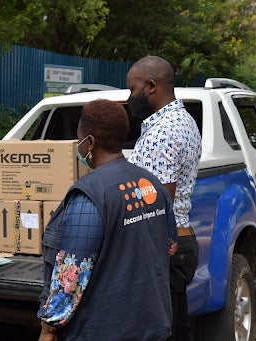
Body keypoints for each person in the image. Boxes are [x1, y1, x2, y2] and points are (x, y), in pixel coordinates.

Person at [37, 99, 177, 341]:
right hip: (153, 326)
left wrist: (48, 330)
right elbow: (169, 246)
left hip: (103, 330)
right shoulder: (151, 183)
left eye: (79, 139)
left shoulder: (88, 195)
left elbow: (70, 278)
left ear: (90, 142)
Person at [126, 56, 202, 341]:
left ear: (151, 86)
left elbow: (157, 204)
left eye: (132, 90)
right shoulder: (183, 120)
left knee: (160, 331)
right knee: (177, 326)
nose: (129, 98)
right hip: (180, 243)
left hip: (164, 247)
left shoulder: (164, 132)